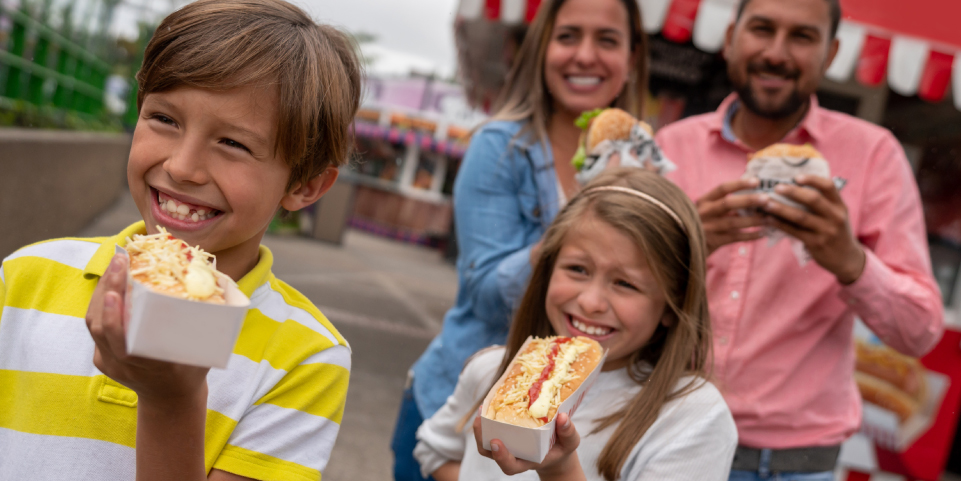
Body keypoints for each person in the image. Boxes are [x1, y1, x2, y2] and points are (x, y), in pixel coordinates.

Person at [0, 1, 360, 480]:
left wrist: (172, 401)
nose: (181, 167)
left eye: (233, 143)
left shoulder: (308, 358)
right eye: (164, 119)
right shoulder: (27, 277)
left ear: (304, 185)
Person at [654, 0, 945, 478]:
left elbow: (919, 332)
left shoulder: (872, 157)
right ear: (730, 39)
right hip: (664, 445)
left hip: (790, 467)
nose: (777, 52)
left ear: (830, 54)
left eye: (802, 37)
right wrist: (685, 248)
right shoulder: (672, 148)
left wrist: (850, 260)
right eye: (762, 29)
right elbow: (616, 297)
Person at [392, 0, 650, 479]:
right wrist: (586, 210)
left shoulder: (648, 160)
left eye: (608, 40)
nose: (585, 55)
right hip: (464, 412)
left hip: (571, 428)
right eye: (568, 36)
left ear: (633, 58)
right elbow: (489, 294)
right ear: (541, 49)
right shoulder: (499, 145)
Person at [413, 168, 737, 481]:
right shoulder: (490, 369)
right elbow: (435, 449)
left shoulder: (694, 415)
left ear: (672, 303)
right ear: (548, 269)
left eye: (625, 284)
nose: (590, 302)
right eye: (578, 269)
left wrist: (559, 472)